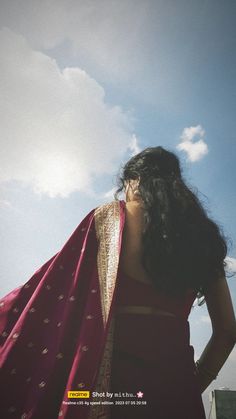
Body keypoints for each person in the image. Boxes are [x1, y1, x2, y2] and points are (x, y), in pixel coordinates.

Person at [0, 146, 235, 419]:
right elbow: (227, 332)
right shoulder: (201, 236)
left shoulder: (107, 219)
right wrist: (195, 385)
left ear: (133, 181)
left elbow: (49, 292)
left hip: (110, 387)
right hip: (177, 388)